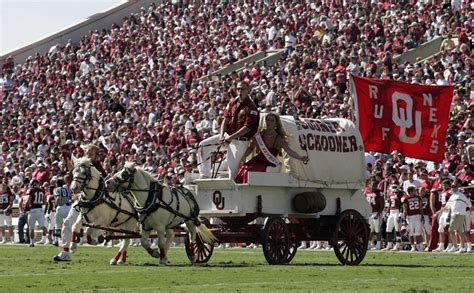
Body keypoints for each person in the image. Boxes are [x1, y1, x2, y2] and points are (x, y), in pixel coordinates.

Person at [198, 81, 260, 180]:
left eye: (243, 89)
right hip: (228, 136)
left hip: (240, 141)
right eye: (238, 89)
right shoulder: (232, 102)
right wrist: (222, 135)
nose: (240, 91)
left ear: (248, 90)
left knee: (233, 173)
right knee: (203, 145)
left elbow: (247, 127)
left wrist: (230, 138)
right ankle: (205, 175)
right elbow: (225, 119)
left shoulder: (251, 107)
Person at [54, 144, 102, 261]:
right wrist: (66, 157)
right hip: (82, 200)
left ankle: (94, 236)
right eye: (87, 153)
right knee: (67, 223)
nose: (88, 155)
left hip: (95, 203)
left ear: (96, 156)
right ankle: (65, 252)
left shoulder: (97, 167)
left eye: (91, 153)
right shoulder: (82, 163)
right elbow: (72, 169)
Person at [234, 113, 308, 184]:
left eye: (272, 120)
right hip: (257, 160)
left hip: (269, 162)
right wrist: (244, 156)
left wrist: (301, 158)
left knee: (254, 171)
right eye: (267, 120)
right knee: (245, 168)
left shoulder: (279, 139)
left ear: (276, 124)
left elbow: (289, 151)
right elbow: (251, 148)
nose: (269, 122)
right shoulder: (259, 135)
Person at [26, 179, 48, 247]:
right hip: (40, 210)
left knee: (31, 228)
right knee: (43, 226)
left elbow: (28, 201)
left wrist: (26, 207)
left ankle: (32, 243)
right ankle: (50, 238)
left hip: (33, 210)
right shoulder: (42, 190)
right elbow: (44, 202)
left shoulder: (32, 190)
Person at [364, 178, 384, 250]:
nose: (374, 187)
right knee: (370, 229)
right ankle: (368, 245)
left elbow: (382, 205)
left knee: (377, 229)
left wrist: (378, 214)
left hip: (376, 212)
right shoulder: (366, 191)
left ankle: (378, 245)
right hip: (369, 213)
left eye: (375, 185)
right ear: (370, 185)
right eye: (373, 185)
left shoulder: (379, 192)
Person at [402, 186, 423, 252]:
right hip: (410, 217)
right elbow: (405, 210)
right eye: (414, 190)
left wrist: (422, 216)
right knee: (410, 233)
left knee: (418, 232)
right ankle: (413, 246)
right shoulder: (406, 199)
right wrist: (404, 219)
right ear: (411, 191)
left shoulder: (418, 197)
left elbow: (420, 208)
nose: (415, 191)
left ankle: (417, 246)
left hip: (417, 216)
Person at [53, 177, 72, 247]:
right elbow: (71, 198)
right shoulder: (67, 189)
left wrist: (55, 205)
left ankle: (57, 241)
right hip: (68, 207)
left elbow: (58, 197)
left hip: (60, 207)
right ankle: (68, 240)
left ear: (57, 184)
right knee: (68, 225)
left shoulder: (56, 189)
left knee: (58, 225)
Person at [0, 177, 15, 244]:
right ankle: (3, 239)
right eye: (3, 183)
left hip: (7, 210)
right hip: (0, 210)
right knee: (1, 225)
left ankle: (12, 239)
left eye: (5, 183)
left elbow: (11, 202)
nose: (4, 185)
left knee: (9, 225)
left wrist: (7, 209)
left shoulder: (9, 192)